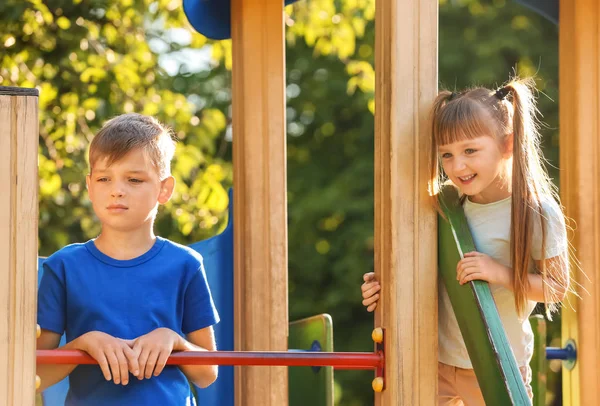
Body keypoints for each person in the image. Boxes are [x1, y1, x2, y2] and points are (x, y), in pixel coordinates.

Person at [360, 78, 571, 405]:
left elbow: (556, 287)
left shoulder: (536, 211)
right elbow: (424, 272)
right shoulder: (442, 204)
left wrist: (498, 273)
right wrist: (382, 287)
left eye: (470, 150)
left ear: (506, 144)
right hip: (432, 362)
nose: (457, 166)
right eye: (446, 155)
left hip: (496, 365)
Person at [37, 113, 219, 405]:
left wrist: (174, 340)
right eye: (104, 178)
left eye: (134, 179)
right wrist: (83, 344)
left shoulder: (186, 264)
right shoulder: (63, 267)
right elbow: (36, 374)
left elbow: (208, 372)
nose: (117, 190)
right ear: (89, 186)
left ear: (164, 189)